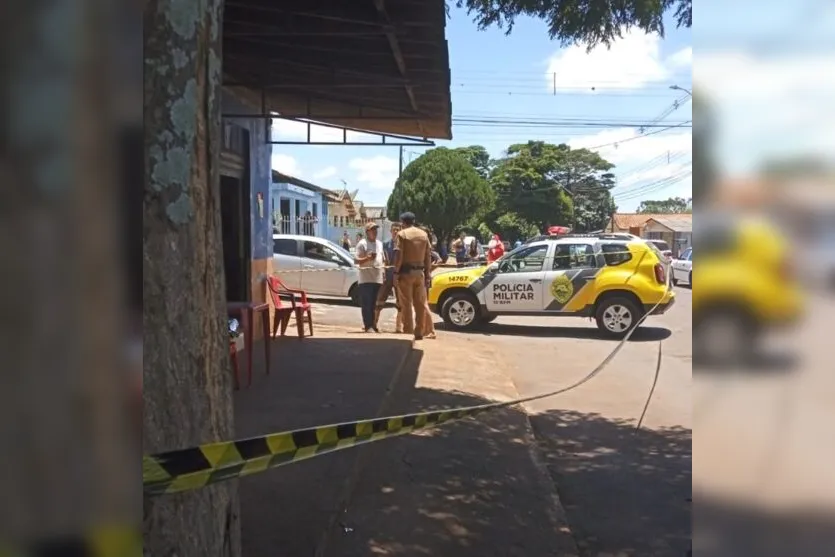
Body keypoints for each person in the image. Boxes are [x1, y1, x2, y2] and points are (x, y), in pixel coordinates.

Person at [393, 212, 432, 340]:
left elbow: (399, 256)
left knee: (406, 304)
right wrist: (427, 274)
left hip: (405, 273)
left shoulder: (402, 234)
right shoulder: (423, 234)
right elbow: (428, 256)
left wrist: (395, 272)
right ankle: (419, 331)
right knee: (420, 304)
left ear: (403, 222)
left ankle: (408, 332)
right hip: (419, 273)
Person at [354, 222, 384, 332]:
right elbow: (356, 260)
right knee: (367, 303)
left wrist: (383, 273)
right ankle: (368, 326)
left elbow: (382, 259)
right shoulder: (362, 244)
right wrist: (367, 258)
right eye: (372, 230)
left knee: (374, 303)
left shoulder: (379, 244)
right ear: (367, 232)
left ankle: (373, 324)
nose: (375, 232)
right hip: (366, 279)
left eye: (376, 229)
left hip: (377, 278)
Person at [375, 222, 403, 333]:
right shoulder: (385, 244)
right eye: (394, 230)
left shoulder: (403, 244)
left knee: (400, 304)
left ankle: (398, 327)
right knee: (379, 301)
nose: (395, 232)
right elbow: (382, 258)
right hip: (387, 276)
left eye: (398, 229)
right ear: (390, 231)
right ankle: (374, 324)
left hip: (399, 277)